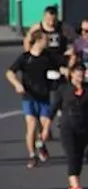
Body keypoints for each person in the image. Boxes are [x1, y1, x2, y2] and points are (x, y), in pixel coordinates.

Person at [8, 27, 60, 167]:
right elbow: (9, 72)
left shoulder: (48, 57)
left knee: (45, 126)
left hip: (44, 96)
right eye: (45, 40)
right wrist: (17, 84)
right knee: (31, 125)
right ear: (38, 41)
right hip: (29, 97)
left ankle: (40, 143)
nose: (48, 42)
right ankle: (32, 155)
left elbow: (60, 67)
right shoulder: (26, 58)